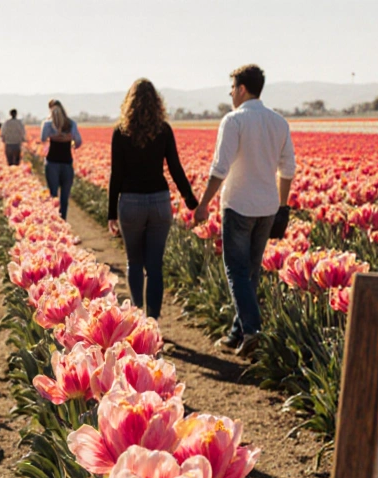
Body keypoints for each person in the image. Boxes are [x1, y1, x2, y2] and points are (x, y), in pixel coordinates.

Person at [193, 64, 296, 357]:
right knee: (250, 271)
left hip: (238, 205)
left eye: (232, 88)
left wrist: (203, 204)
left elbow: (220, 168)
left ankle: (251, 330)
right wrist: (283, 205)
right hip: (267, 207)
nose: (230, 94)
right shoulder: (279, 122)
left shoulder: (234, 121)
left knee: (236, 270)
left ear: (241, 89)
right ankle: (236, 333)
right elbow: (288, 168)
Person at [107, 79, 199, 320]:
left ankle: (137, 317)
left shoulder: (120, 132)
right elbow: (175, 168)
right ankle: (154, 320)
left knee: (134, 263)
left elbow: (116, 175)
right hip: (159, 201)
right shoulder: (164, 130)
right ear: (157, 103)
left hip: (131, 202)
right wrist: (191, 201)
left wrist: (110, 214)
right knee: (155, 266)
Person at [40, 99, 83, 220]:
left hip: (52, 161)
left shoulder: (48, 124)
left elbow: (43, 138)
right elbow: (79, 141)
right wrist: (70, 141)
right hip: (67, 162)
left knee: (53, 195)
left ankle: (54, 221)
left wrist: (53, 136)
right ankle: (62, 220)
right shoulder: (71, 124)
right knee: (64, 197)